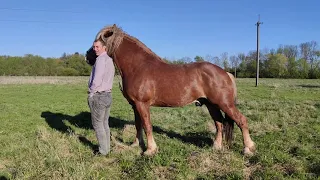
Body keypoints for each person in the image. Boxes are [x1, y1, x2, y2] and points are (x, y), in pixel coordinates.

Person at [87, 39, 115, 156]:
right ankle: (107, 149)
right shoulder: (110, 60)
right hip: (108, 95)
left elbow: (97, 79)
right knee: (104, 124)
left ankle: (103, 152)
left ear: (105, 47)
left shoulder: (100, 60)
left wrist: (91, 92)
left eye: (97, 47)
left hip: (99, 96)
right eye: (94, 47)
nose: (95, 49)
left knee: (98, 125)